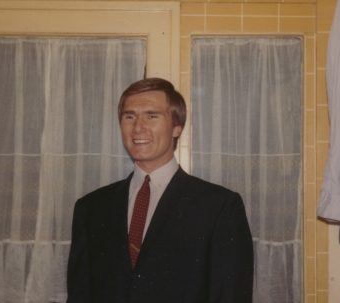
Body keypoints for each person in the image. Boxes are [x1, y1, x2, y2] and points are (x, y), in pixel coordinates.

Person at [67, 77, 253, 303]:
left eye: (152, 116)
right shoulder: (91, 208)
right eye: (129, 116)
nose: (138, 127)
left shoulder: (219, 207)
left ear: (177, 127)